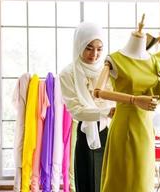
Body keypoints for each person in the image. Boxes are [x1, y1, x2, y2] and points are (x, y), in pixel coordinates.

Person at [94, 16, 160, 192]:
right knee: (121, 179)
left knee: (142, 181)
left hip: (145, 128)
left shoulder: (155, 61)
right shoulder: (115, 59)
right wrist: (134, 99)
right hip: (124, 125)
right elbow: (97, 92)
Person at [59, 22, 114, 192]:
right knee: (87, 180)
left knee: (107, 181)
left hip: (108, 131)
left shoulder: (107, 71)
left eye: (99, 48)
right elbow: (76, 110)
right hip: (86, 132)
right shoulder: (68, 73)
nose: (94, 54)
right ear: (79, 44)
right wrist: (105, 111)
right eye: (89, 48)